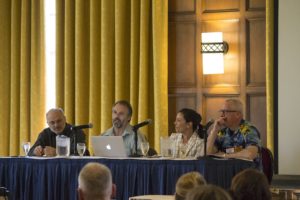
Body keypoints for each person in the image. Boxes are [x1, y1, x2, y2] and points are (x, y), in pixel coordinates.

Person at [206, 99, 261, 168]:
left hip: (247, 174)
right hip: (226, 172)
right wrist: (214, 130)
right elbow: (207, 152)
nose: (222, 115)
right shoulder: (222, 131)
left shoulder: (248, 130)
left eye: (225, 112)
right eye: (221, 111)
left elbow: (250, 154)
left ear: (237, 114)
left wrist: (224, 156)